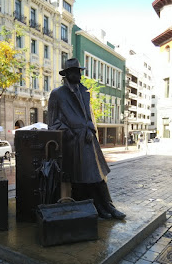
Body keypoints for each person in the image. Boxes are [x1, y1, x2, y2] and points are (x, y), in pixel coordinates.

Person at [48, 58, 126, 220]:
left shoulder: (84, 91)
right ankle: (100, 208)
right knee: (85, 178)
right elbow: (53, 122)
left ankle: (106, 206)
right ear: (67, 74)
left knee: (97, 174)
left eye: (79, 71)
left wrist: (91, 129)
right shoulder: (57, 94)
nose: (79, 74)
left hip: (88, 139)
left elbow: (89, 116)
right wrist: (69, 133)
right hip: (73, 142)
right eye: (75, 72)